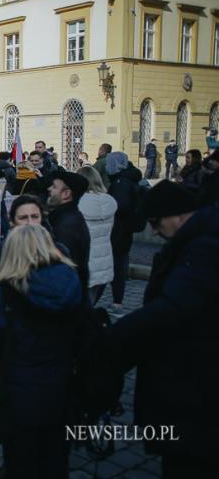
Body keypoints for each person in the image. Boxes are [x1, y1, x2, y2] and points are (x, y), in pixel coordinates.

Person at [86, 181, 219, 478]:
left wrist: (113, 343)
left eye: (156, 223)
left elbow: (172, 310)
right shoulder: (199, 239)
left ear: (178, 215)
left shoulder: (205, 248)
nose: (156, 232)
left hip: (196, 394)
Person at [0, 225, 84, 479]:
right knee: (56, 461)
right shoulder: (72, 281)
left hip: (20, 393)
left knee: (21, 463)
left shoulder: (9, 292)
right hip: (63, 390)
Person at [105, 152, 143, 313]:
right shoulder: (128, 179)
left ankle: (116, 303)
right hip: (125, 229)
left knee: (114, 266)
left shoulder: (120, 182)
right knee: (119, 264)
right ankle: (117, 301)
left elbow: (120, 207)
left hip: (117, 230)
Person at [75, 167, 116, 304]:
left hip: (85, 259)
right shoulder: (109, 201)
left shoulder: (78, 203)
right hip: (104, 257)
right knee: (91, 302)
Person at [46, 170, 91, 291]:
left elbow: (63, 268)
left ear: (66, 194)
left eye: (54, 186)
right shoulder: (66, 218)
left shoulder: (66, 226)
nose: (49, 189)